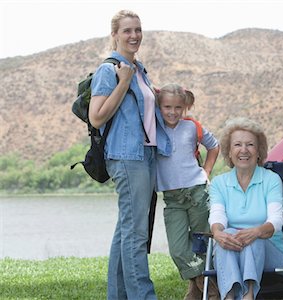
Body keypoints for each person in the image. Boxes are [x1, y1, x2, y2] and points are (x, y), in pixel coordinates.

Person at [89, 10, 171, 300]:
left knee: (126, 230)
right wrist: (123, 82)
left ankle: (119, 295)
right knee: (137, 234)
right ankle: (143, 296)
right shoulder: (109, 70)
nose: (134, 35)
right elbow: (96, 117)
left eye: (137, 29)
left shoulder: (140, 69)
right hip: (127, 157)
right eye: (127, 31)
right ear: (114, 35)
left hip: (145, 155)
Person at [208, 117, 283, 300]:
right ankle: (229, 297)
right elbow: (217, 216)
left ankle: (248, 296)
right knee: (226, 235)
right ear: (229, 152)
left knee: (254, 238)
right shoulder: (218, 183)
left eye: (250, 145)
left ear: (259, 151)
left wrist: (256, 231)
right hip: (231, 251)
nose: (244, 150)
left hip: (272, 252)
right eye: (237, 144)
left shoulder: (271, 180)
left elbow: (276, 220)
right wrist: (217, 233)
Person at [155, 83, 220, 299]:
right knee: (178, 249)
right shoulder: (153, 127)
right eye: (167, 107)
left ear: (184, 107)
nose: (172, 112)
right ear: (159, 106)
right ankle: (208, 288)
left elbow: (214, 145)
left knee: (202, 244)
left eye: (177, 108)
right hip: (173, 199)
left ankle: (195, 290)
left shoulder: (192, 126)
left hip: (198, 193)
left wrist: (207, 171)